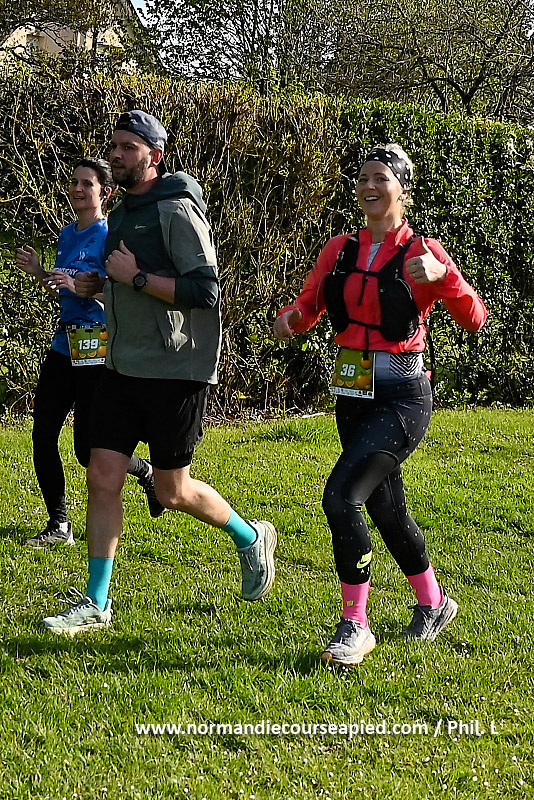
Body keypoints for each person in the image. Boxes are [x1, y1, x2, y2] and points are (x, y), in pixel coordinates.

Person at [42, 110, 277, 634]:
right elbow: (118, 280)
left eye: (128, 147)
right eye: (114, 146)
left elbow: (205, 291)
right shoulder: (122, 213)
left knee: (172, 491)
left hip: (176, 369)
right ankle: (96, 602)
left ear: (155, 156)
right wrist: (96, 286)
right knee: (102, 474)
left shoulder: (177, 209)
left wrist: (136, 278)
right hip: (122, 364)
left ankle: (249, 535)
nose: (117, 154)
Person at [273, 143, 487, 666]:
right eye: (363, 178)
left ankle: (355, 624)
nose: (369, 186)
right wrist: (292, 319)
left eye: (381, 178)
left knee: (341, 497)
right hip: (352, 395)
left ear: (403, 191)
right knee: (384, 506)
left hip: (402, 396)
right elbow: (312, 303)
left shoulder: (423, 251)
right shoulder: (340, 249)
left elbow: (475, 318)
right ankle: (434, 602)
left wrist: (445, 279)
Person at [15, 158, 163, 549]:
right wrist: (40, 272)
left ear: (105, 192)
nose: (77, 189)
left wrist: (87, 289)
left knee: (87, 450)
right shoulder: (67, 234)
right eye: (74, 182)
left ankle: (145, 470)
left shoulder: (110, 235)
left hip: (97, 349)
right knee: (43, 433)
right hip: (63, 346)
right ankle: (59, 524)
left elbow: (120, 294)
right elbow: (62, 284)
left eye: (87, 184)